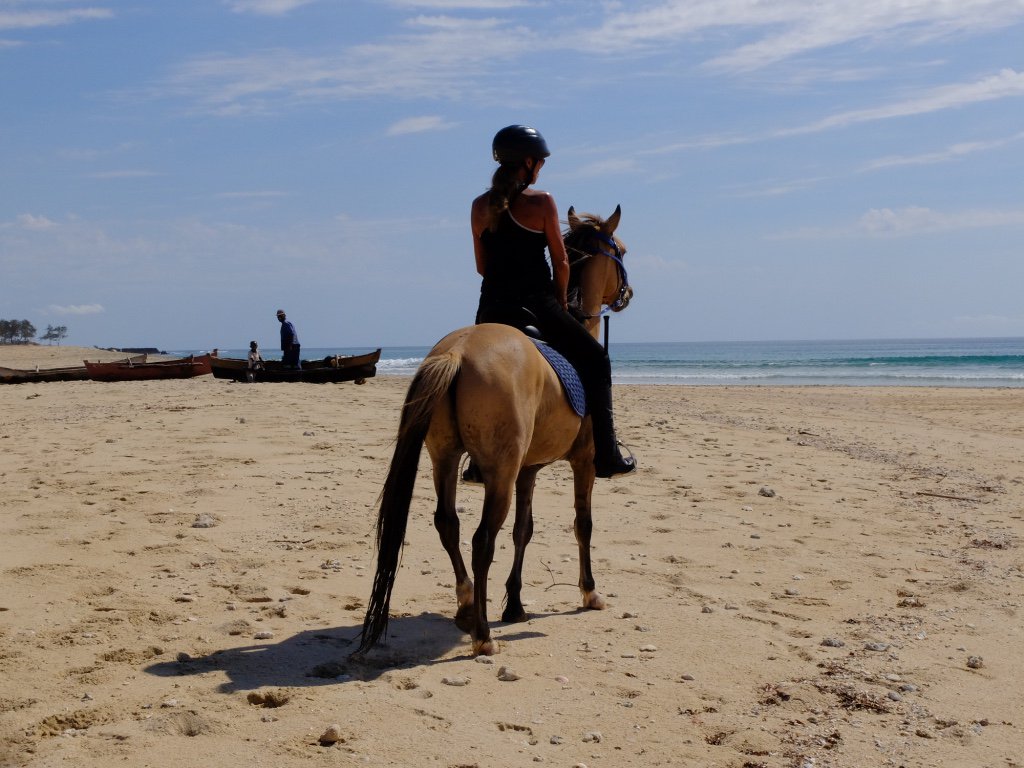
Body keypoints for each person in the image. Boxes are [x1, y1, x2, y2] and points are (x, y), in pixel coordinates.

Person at [470, 124, 635, 478]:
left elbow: (481, 267)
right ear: (528, 163)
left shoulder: (478, 207)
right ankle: (607, 454)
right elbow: (561, 263)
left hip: (491, 308)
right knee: (596, 359)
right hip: (536, 303)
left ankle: (474, 461)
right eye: (540, 162)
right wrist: (559, 301)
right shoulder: (542, 202)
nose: (541, 168)